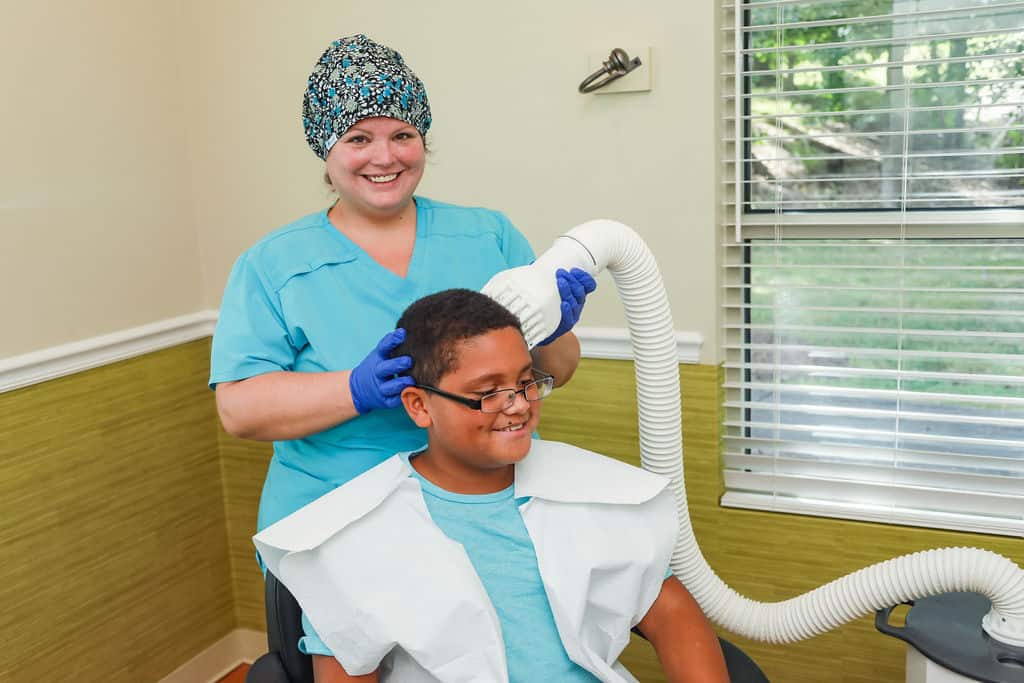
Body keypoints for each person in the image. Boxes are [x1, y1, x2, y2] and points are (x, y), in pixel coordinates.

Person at [209, 34, 596, 533]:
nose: (385, 157)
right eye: (358, 139)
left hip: (487, 505)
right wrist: (355, 388)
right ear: (325, 149)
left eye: (402, 135)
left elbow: (558, 371)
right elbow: (240, 411)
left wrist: (550, 330)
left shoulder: (488, 236)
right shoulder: (273, 264)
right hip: (337, 521)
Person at [254, 289, 729, 683]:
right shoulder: (350, 538)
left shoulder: (590, 492)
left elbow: (670, 614)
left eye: (527, 382)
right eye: (487, 393)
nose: (519, 406)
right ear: (419, 406)